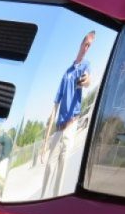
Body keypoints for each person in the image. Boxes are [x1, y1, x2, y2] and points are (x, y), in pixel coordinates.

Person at [40, 31, 96, 196]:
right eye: (86, 44)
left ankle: (54, 201)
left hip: (72, 125)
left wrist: (87, 81)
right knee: (50, 166)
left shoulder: (86, 66)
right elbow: (54, 107)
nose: (87, 48)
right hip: (59, 127)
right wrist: (44, 142)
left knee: (62, 168)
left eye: (90, 46)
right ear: (81, 43)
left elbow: (88, 80)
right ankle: (42, 199)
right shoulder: (66, 74)